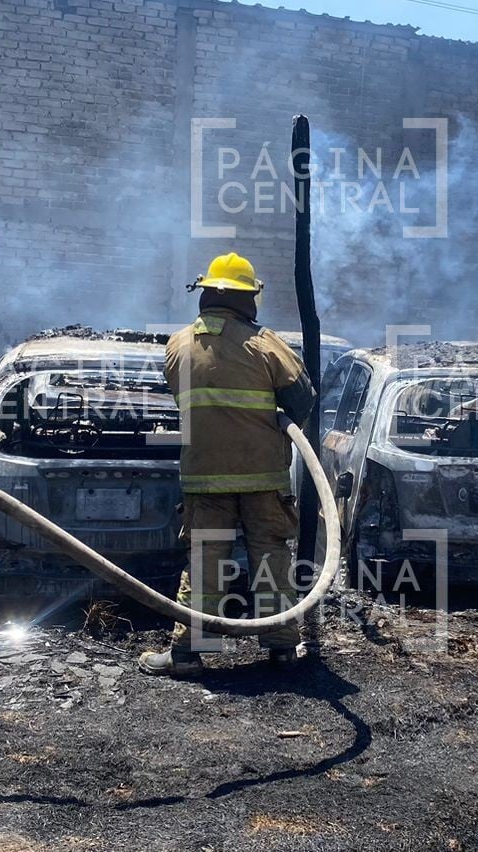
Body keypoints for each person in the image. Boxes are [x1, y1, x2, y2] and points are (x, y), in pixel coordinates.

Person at [140, 252, 316, 677]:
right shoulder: (265, 344)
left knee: (205, 562)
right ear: (247, 298)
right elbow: (303, 400)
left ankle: (188, 653)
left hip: (204, 478)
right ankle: (282, 650)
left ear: (206, 294)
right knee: (271, 558)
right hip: (263, 478)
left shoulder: (177, 345)